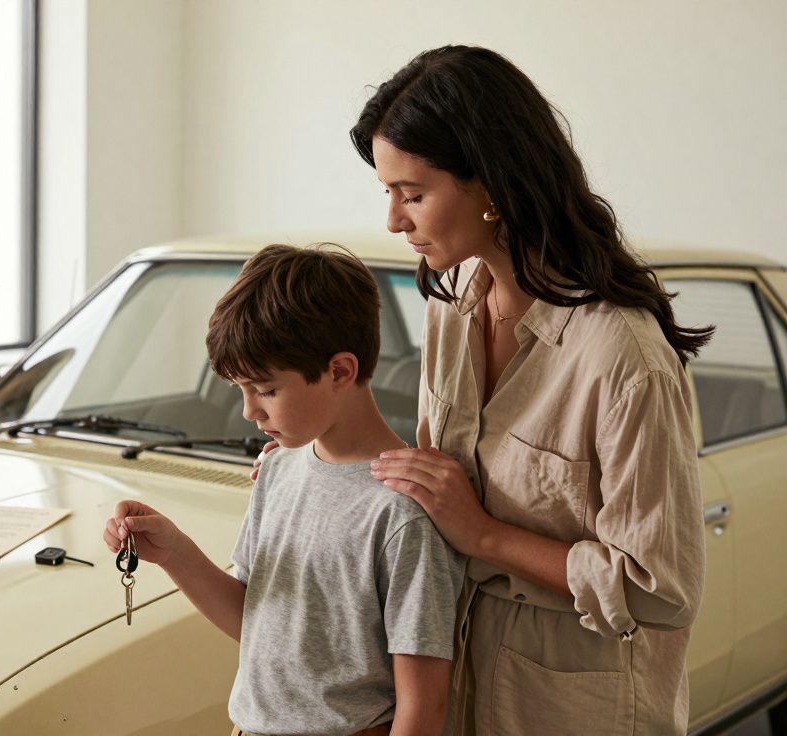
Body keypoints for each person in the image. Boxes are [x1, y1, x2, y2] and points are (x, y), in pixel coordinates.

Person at [352, 46, 709, 734]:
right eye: (388, 193)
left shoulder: (622, 356)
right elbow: (440, 492)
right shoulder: (451, 309)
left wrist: (484, 534)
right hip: (459, 688)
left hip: (575, 709)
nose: (394, 221)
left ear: (490, 185)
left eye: (413, 194)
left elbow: (660, 589)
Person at [104, 245, 466, 736]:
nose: (249, 411)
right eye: (241, 390)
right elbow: (256, 626)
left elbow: (423, 707)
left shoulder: (402, 512)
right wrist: (174, 552)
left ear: (340, 371)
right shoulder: (277, 472)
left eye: (266, 390)